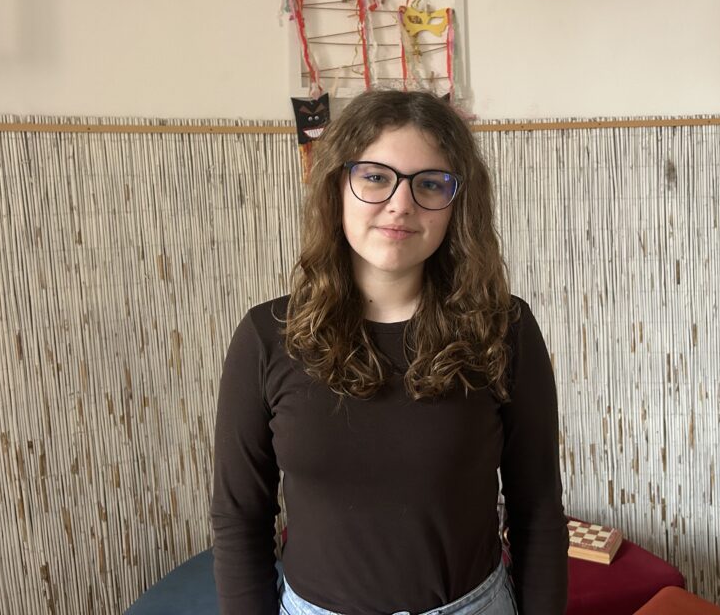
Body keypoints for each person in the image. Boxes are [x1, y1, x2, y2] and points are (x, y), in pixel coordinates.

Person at [211, 89, 568, 615]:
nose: (401, 204)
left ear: (457, 204)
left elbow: (537, 509)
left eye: (430, 183)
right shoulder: (267, 337)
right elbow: (239, 518)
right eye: (376, 177)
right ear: (337, 187)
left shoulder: (504, 329)